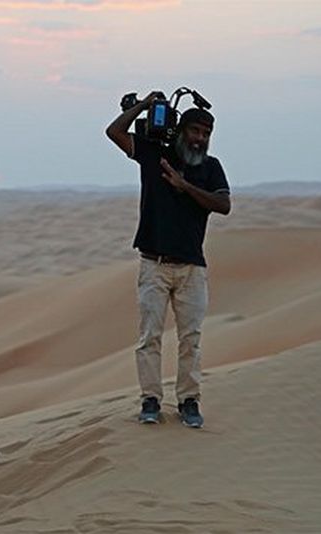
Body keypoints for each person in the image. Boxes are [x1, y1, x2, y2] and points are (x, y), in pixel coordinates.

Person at [106, 91, 231, 428]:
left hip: (192, 268)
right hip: (154, 264)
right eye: (195, 131)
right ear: (181, 130)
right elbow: (114, 132)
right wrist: (144, 105)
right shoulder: (153, 154)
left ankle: (189, 400)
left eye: (206, 133)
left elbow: (223, 205)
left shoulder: (210, 167)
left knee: (191, 338)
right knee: (150, 337)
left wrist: (184, 186)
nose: (200, 138)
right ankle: (150, 399)